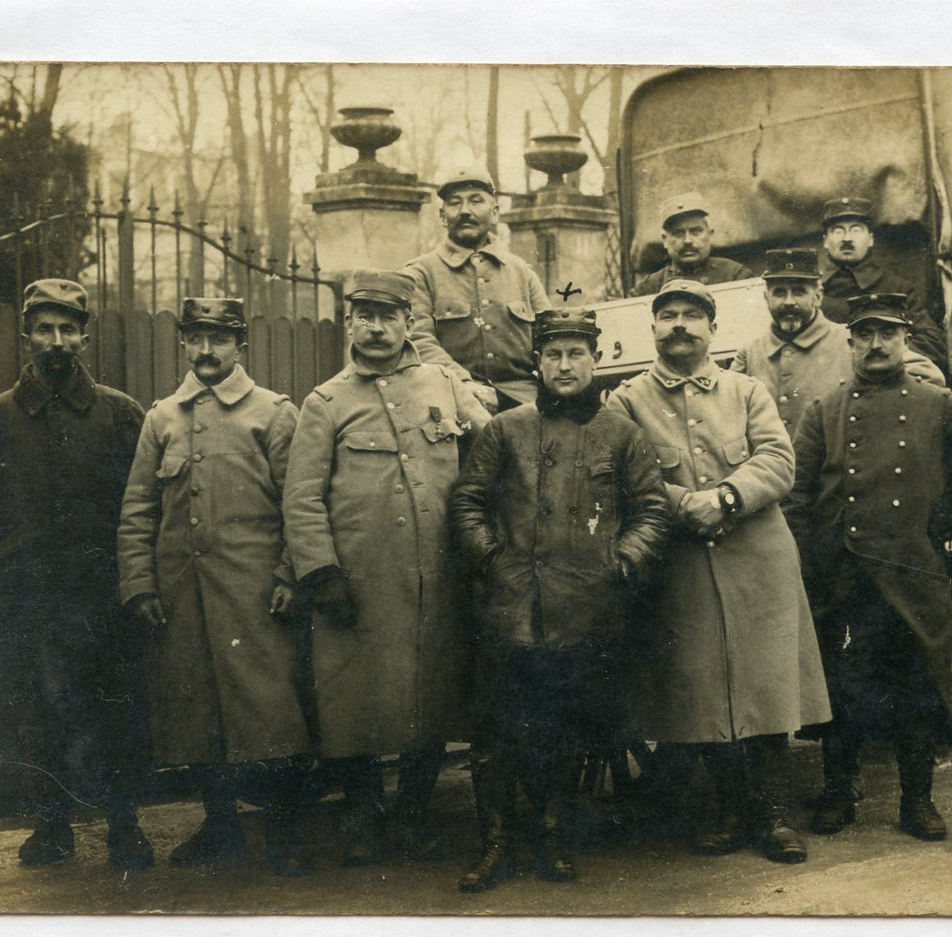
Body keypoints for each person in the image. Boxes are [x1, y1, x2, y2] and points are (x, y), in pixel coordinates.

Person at [606, 279, 830, 864]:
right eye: (668, 316)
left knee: (766, 686)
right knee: (703, 691)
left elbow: (780, 462)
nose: (679, 325)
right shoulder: (626, 401)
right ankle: (732, 811)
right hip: (679, 563)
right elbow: (625, 475)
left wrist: (728, 497)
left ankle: (776, 816)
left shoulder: (747, 389)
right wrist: (687, 506)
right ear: (652, 328)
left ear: (712, 328)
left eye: (692, 316)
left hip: (758, 558)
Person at [448, 307, 670, 892]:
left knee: (568, 730)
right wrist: (492, 559)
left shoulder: (621, 433)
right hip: (511, 608)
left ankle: (552, 837)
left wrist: (621, 561)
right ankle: (496, 844)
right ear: (538, 363)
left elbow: (651, 509)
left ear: (595, 359)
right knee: (496, 735)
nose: (565, 365)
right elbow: (468, 501)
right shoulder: (506, 429)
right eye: (553, 354)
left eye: (576, 353)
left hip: (587, 610)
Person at [784, 292, 952, 841]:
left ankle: (918, 801)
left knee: (917, 690)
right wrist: (809, 557)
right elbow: (796, 494)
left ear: (905, 339)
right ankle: (839, 793)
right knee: (843, 689)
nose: (876, 344)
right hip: (844, 577)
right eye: (864, 334)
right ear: (851, 342)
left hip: (915, 573)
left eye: (887, 332)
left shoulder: (939, 402)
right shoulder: (824, 410)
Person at [0, 278, 153, 869]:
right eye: (44, 329)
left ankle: (124, 826)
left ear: (84, 337)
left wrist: (132, 580)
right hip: (28, 602)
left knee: (113, 712)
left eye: (67, 329)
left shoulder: (119, 414)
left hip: (103, 600)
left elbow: (145, 504)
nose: (56, 341)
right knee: (38, 716)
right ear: (26, 337)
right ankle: (51, 825)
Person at [284, 269, 491, 866]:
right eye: (366, 316)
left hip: (437, 577)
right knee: (354, 705)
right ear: (351, 322)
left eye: (389, 317)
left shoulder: (445, 386)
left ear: (407, 324)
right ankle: (365, 816)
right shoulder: (325, 402)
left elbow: (489, 450)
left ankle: (413, 816)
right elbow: (301, 497)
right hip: (359, 582)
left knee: (431, 698)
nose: (377, 328)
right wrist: (322, 573)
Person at [117, 297, 313, 876]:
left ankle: (283, 833)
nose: (206, 351)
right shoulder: (162, 418)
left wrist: (288, 575)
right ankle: (220, 825)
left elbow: (297, 506)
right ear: (183, 342)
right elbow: (137, 511)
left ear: (240, 346)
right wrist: (140, 584)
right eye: (196, 338)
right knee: (195, 712)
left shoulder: (273, 414)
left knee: (270, 711)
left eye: (219, 339)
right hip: (182, 596)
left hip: (255, 596)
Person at [731, 248, 945, 439]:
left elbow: (930, 378)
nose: (789, 302)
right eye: (779, 292)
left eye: (799, 291)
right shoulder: (750, 352)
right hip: (773, 476)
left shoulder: (850, 342)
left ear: (818, 296)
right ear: (765, 298)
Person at [400, 165, 551, 412]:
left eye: (476, 201)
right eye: (454, 203)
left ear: (494, 213)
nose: (465, 211)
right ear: (442, 216)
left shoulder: (521, 272)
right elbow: (418, 341)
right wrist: (464, 384)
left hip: (525, 402)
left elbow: (549, 337)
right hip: (451, 400)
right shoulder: (420, 272)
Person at [817, 196, 948, 370]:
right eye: (838, 231)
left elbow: (931, 341)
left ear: (870, 239)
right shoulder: (812, 290)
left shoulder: (898, 287)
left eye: (856, 230)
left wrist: (886, 361)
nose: (847, 238)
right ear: (826, 241)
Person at [629, 193, 754, 297]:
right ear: (665, 240)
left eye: (695, 231)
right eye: (678, 233)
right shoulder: (649, 287)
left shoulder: (735, 275)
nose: (688, 240)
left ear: (710, 234)